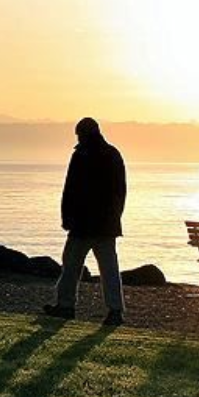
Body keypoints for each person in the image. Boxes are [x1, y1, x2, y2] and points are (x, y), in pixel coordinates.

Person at [43, 117, 127, 326]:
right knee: (109, 269)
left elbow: (70, 189)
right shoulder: (112, 154)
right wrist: (115, 217)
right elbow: (120, 191)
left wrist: (66, 217)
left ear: (83, 134)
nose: (78, 138)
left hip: (82, 224)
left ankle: (66, 305)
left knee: (71, 265)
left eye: (79, 135)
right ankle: (115, 310)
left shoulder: (81, 155)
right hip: (105, 225)